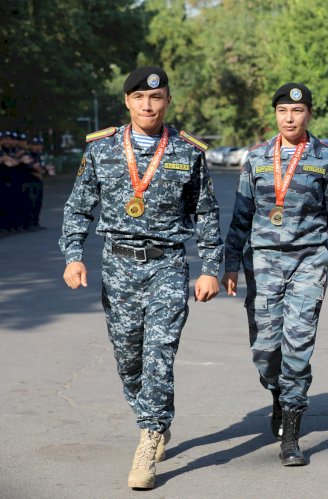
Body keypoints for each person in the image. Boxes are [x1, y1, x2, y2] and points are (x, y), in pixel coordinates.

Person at [59, 66, 223, 490]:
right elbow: (78, 207)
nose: (148, 105)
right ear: (127, 102)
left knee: (159, 354)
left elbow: (205, 213)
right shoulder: (101, 148)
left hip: (168, 263)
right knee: (129, 358)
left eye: (156, 98)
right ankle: (152, 416)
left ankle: (149, 437)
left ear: (168, 101)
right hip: (118, 265)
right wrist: (73, 256)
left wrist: (209, 268)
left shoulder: (189, 152)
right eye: (139, 98)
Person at [221, 82, 328, 467]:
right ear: (275, 114)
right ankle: (277, 393)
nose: (289, 118)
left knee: (298, 343)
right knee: (265, 349)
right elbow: (241, 215)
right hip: (261, 262)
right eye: (282, 111)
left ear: (308, 113)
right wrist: (230, 264)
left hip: (308, 262)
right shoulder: (257, 158)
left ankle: (291, 434)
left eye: (296, 111)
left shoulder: (325, 158)